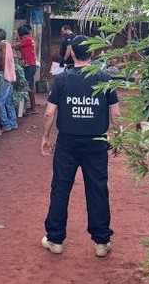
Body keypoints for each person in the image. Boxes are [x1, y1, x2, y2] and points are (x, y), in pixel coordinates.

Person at [40, 36, 120, 258]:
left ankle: (55, 239)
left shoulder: (63, 80)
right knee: (97, 189)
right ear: (92, 54)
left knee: (60, 188)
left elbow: (49, 112)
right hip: (96, 143)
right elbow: (116, 114)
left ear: (72, 53)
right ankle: (101, 242)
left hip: (68, 142)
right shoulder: (105, 79)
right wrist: (118, 137)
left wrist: (45, 137)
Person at [0, 28, 19, 132]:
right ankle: (13, 123)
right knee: (8, 101)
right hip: (10, 75)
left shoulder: (2, 45)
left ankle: (6, 124)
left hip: (5, 76)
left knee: (0, 101)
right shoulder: (7, 44)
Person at [17, 25, 38, 114]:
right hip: (30, 65)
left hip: (29, 66)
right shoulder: (28, 39)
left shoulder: (27, 40)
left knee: (28, 87)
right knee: (29, 86)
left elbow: (14, 46)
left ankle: (32, 108)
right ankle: (32, 107)